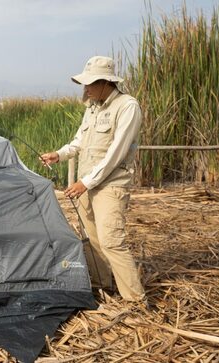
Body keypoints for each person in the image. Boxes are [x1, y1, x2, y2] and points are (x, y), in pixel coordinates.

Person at [40, 56, 146, 303]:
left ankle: (135, 300)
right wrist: (59, 154)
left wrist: (85, 182)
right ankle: (102, 287)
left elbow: (115, 153)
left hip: (109, 185)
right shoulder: (93, 107)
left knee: (111, 242)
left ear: (105, 82)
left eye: (89, 84)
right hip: (86, 185)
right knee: (93, 241)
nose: (85, 89)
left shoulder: (127, 106)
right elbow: (79, 141)